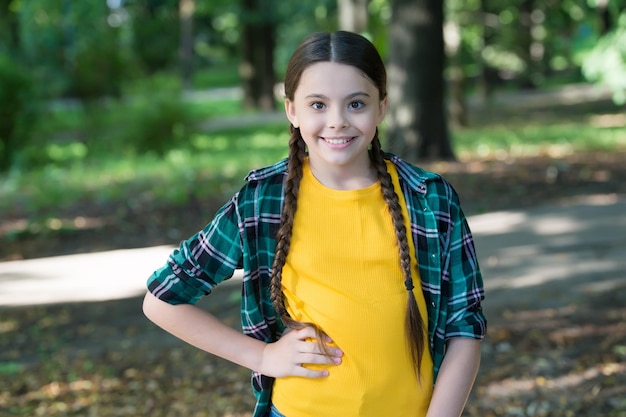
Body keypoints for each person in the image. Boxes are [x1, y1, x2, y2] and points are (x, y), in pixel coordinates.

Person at [143, 30, 487, 417]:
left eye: (356, 103)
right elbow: (162, 300)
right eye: (318, 104)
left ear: (382, 107)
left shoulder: (429, 198)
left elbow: (465, 326)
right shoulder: (263, 200)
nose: (337, 121)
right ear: (292, 110)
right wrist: (264, 356)